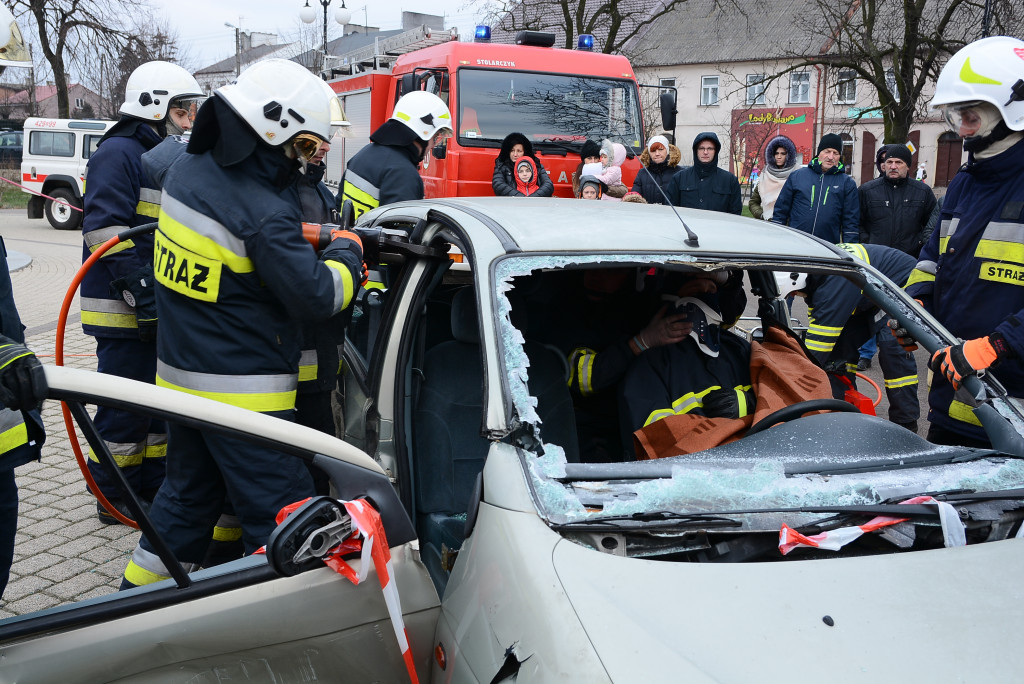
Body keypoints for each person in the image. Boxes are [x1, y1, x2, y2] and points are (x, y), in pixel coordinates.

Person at [121, 59, 365, 589]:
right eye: (302, 145)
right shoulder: (262, 212)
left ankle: (124, 612)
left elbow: (236, 247)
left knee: (185, 502)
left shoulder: (189, 173)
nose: (305, 159)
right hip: (247, 404)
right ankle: (294, 628)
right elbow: (319, 296)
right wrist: (347, 256)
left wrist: (297, 239)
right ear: (273, 128)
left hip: (181, 387)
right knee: (289, 520)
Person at [81, 61, 204, 524]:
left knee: (153, 410)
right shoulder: (119, 153)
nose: (189, 120)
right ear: (155, 106)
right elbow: (104, 230)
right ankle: (113, 496)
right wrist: (141, 288)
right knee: (123, 411)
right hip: (121, 308)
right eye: (183, 110)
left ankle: (148, 487)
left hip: (152, 306)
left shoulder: (159, 153)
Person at [903, 36, 1024, 448]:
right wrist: (915, 304)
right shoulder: (964, 183)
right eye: (957, 117)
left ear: (1013, 112)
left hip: (1015, 414)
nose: (961, 130)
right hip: (953, 404)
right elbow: (933, 258)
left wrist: (1000, 343)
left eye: (970, 116)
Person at [778, 243, 920, 432]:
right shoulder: (816, 275)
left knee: (892, 346)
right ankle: (843, 407)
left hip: (902, 285)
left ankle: (905, 423)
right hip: (870, 295)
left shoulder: (834, 279)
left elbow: (819, 345)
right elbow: (818, 326)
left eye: (794, 292)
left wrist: (792, 383)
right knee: (840, 349)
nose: (795, 295)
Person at [339, 90, 452, 217]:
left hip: (347, 235)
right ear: (423, 132)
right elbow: (401, 232)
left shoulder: (362, 155)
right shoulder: (403, 174)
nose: (432, 146)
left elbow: (339, 205)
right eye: (435, 137)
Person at [771, 133, 860, 243]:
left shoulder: (847, 183)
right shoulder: (797, 176)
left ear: (839, 157)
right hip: (795, 242)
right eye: (827, 151)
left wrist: (850, 250)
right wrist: (775, 238)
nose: (831, 157)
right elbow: (781, 211)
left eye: (835, 153)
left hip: (827, 246)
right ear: (819, 153)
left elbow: (850, 221)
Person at [859, 144, 939, 258]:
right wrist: (868, 241)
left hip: (910, 258)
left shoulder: (923, 191)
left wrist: (919, 242)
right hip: (875, 257)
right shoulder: (867, 190)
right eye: (889, 162)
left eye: (898, 162)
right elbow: (857, 223)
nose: (893, 166)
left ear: (908, 166)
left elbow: (932, 225)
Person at [666, 132, 742, 215]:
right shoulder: (679, 178)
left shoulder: (729, 181)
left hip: (718, 227)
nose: (705, 152)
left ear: (715, 151)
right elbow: (670, 211)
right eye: (701, 148)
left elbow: (735, 214)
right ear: (696, 151)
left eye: (710, 148)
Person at [748, 135, 799, 220]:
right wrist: (762, 215)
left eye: (783, 153)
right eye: (776, 153)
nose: (779, 157)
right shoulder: (765, 175)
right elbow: (753, 202)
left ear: (789, 155)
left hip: (790, 226)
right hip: (768, 224)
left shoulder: (797, 174)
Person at [491, 132, 554, 197]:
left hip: (535, 204)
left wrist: (532, 198)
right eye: (512, 151)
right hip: (510, 204)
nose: (515, 154)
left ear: (525, 152)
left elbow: (548, 185)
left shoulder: (535, 165)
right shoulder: (501, 166)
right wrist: (521, 198)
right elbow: (498, 185)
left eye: (519, 151)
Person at [631, 134, 682, 205]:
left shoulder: (680, 173)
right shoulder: (642, 173)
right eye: (653, 151)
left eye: (661, 149)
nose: (657, 154)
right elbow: (635, 198)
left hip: (671, 215)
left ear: (667, 151)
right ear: (649, 153)